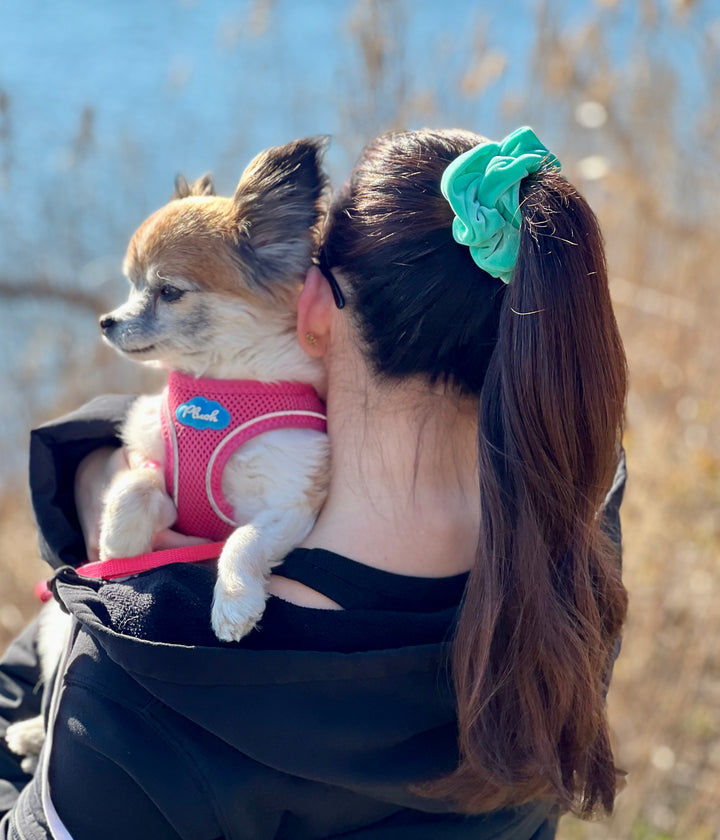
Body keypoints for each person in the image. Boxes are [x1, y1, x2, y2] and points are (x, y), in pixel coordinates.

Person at [0, 126, 627, 839]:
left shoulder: (150, 663)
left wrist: (90, 536)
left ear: (313, 309)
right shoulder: (578, 543)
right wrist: (104, 470)